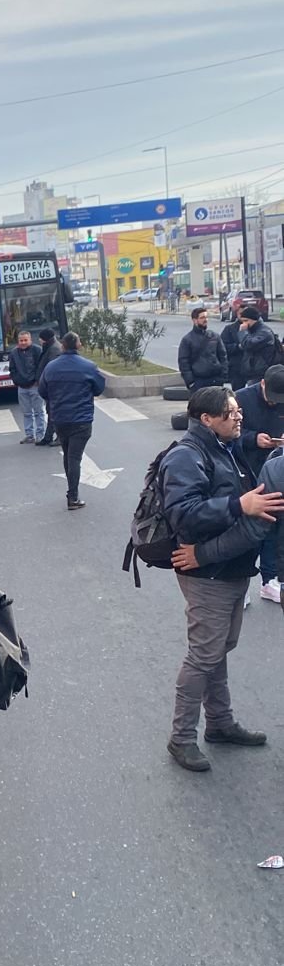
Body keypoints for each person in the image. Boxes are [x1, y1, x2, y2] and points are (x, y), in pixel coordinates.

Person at [160, 385, 284, 772]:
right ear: (206, 419)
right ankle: (181, 738)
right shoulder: (186, 456)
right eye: (230, 413)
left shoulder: (224, 448)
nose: (239, 416)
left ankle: (219, 722)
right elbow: (183, 514)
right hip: (207, 573)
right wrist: (239, 504)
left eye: (237, 411)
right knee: (203, 655)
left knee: (218, 648)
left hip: (229, 568)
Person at [37, 331, 106, 510]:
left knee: (68, 455)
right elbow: (99, 388)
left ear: (63, 346)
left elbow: (42, 391)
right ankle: (73, 497)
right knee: (74, 457)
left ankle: (71, 492)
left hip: (59, 418)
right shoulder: (89, 366)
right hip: (81, 420)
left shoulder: (51, 367)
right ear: (78, 345)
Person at [235, 365, 284, 603]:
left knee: (273, 526)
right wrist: (253, 438)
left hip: (277, 472)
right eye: (272, 398)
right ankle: (240, 580)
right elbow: (229, 433)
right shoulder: (240, 399)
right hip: (248, 470)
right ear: (262, 384)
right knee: (247, 530)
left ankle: (269, 580)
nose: (275, 404)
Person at [177, 305, 228, 390]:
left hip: (216, 380)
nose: (206, 320)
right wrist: (190, 381)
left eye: (206, 317)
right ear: (194, 320)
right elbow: (183, 362)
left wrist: (223, 375)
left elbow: (223, 356)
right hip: (198, 381)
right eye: (202, 318)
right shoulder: (187, 340)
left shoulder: (214, 336)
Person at [8, 330, 45, 443]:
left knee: (39, 412)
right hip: (22, 387)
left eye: (25, 340)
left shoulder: (37, 350)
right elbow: (12, 369)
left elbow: (41, 367)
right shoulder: (14, 353)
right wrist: (16, 381)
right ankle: (29, 435)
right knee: (26, 413)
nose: (23, 342)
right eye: (21, 340)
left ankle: (40, 435)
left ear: (30, 340)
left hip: (35, 386)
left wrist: (38, 381)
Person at [35, 326, 63, 447]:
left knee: (54, 413)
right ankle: (48, 436)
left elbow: (52, 370)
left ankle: (59, 437)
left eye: (40, 339)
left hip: (53, 388)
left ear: (45, 339)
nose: (39, 341)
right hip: (48, 387)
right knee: (51, 413)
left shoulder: (54, 349)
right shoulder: (49, 347)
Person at [239, 305, 278, 383]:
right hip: (253, 372)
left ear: (254, 320)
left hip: (261, 372)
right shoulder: (253, 330)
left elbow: (248, 345)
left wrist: (243, 332)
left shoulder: (264, 332)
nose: (244, 324)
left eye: (246, 321)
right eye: (243, 321)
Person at [220, 317, 246, 391]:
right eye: (241, 314)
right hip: (236, 368)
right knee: (238, 393)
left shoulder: (255, 329)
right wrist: (237, 347)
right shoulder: (230, 329)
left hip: (253, 369)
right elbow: (223, 347)